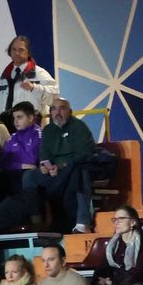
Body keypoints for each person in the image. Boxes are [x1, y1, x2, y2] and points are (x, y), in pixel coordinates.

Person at [25, 98, 96, 233]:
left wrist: (63, 165)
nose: (57, 112)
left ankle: (82, 223)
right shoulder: (47, 130)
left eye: (62, 108)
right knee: (29, 176)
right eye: (54, 109)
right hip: (55, 171)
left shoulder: (79, 126)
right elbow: (44, 155)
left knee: (80, 171)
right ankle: (36, 221)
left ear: (70, 112)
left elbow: (85, 153)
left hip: (74, 167)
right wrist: (45, 167)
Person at [0, 36, 59, 119]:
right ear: (10, 52)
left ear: (28, 53)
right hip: (6, 128)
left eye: (21, 50)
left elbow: (55, 97)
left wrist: (34, 88)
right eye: (13, 49)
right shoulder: (3, 78)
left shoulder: (39, 74)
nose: (17, 53)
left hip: (32, 128)